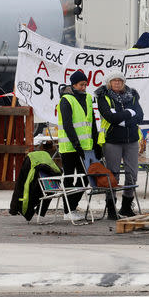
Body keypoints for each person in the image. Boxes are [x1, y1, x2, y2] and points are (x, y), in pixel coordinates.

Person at [95, 70, 144, 220]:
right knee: (113, 175)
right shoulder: (103, 96)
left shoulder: (132, 95)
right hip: (112, 141)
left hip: (131, 140)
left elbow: (140, 116)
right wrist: (130, 113)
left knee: (132, 174)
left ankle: (126, 206)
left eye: (120, 80)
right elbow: (111, 118)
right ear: (109, 83)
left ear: (124, 83)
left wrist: (122, 119)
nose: (117, 83)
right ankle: (111, 208)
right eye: (114, 81)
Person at [56, 69, 99, 222]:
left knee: (85, 178)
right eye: (81, 84)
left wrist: (95, 143)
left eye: (86, 84)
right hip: (69, 148)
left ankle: (72, 206)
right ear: (74, 84)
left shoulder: (88, 98)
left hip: (86, 147)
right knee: (68, 178)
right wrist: (76, 144)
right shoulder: (66, 100)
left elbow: (92, 122)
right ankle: (67, 211)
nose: (84, 87)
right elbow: (68, 125)